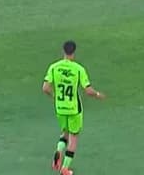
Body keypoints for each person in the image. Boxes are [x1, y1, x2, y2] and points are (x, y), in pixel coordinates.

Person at [43, 40, 106, 175]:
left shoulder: (54, 67)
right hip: (74, 109)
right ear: (74, 52)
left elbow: (45, 88)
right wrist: (98, 94)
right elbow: (88, 91)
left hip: (60, 108)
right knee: (73, 138)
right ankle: (64, 169)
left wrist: (55, 97)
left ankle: (58, 152)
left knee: (65, 133)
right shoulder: (78, 69)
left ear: (63, 51)